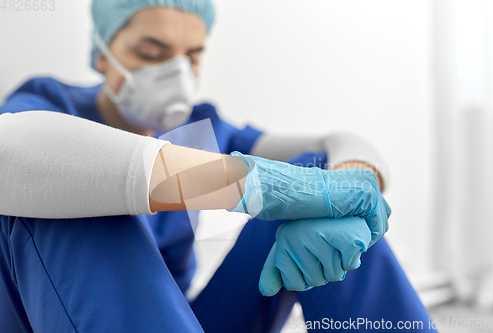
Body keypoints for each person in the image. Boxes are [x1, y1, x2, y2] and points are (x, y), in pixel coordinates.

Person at [0, 0, 435, 332]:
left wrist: (356, 182)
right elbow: (9, 154)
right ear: (101, 55)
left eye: (191, 56)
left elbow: (331, 145)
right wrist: (248, 183)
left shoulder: (198, 129)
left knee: (316, 175)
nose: (176, 72)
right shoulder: (52, 107)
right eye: (152, 52)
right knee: (66, 189)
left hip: (185, 318)